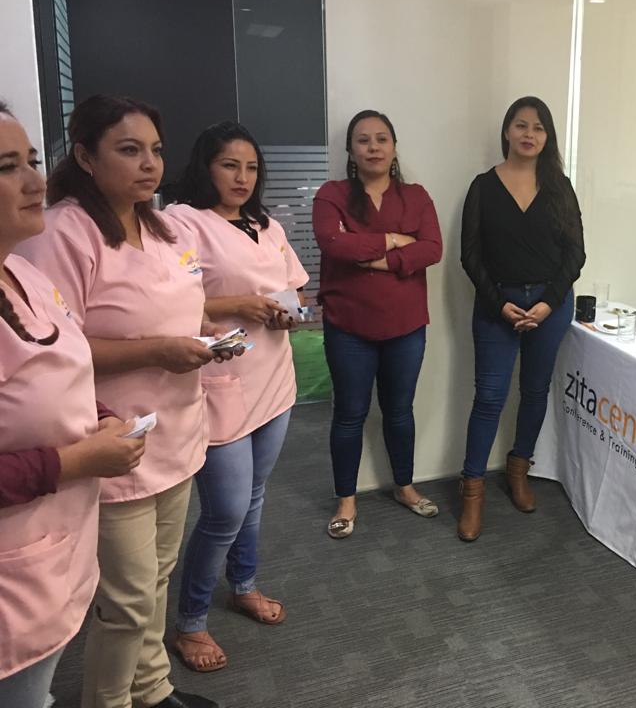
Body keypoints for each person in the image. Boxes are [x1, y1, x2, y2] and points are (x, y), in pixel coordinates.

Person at [21, 95, 226, 708]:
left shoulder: (161, 225)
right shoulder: (64, 233)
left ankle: (152, 688)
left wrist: (201, 334)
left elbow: (178, 303)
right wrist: (157, 349)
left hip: (176, 429)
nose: (149, 164)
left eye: (155, 150)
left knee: (156, 578)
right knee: (128, 600)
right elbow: (58, 349)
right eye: (129, 150)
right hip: (113, 442)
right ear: (86, 156)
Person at [0, 101, 147, 708]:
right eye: (7, 167)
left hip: (54, 552)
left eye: (32, 161)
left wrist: (99, 418)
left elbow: (62, 368)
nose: (36, 181)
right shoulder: (62, 238)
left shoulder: (24, 275)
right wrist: (76, 461)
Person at [164, 121, 309, 672]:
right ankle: (191, 621)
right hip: (221, 382)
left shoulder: (267, 224)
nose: (241, 177)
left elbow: (294, 286)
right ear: (206, 167)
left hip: (273, 377)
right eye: (229, 165)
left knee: (254, 495)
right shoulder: (182, 221)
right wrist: (238, 306)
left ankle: (243, 584)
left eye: (250, 167)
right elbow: (171, 301)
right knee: (224, 510)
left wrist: (291, 312)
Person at [458, 96, 586, 541]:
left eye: (538, 127)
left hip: (551, 306)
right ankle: (472, 491)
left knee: (534, 391)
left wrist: (548, 303)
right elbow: (470, 255)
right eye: (521, 125)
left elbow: (576, 254)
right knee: (489, 398)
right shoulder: (482, 186)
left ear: (547, 137)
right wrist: (500, 304)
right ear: (507, 131)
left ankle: (519, 470)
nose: (529, 134)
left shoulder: (560, 187)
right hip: (497, 307)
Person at [312, 110, 442, 539]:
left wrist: (377, 259)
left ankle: (404, 486)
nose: (373, 147)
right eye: (363, 140)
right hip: (348, 326)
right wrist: (394, 240)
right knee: (350, 414)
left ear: (394, 147)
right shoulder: (331, 194)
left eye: (382, 139)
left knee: (400, 411)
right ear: (351, 150)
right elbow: (333, 242)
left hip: (406, 326)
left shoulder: (416, 197)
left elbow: (432, 249)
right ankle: (346, 499)